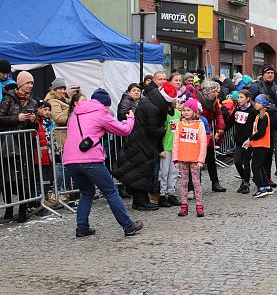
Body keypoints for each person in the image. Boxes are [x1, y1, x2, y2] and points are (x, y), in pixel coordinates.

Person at [63, 88, 143, 237]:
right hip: (90, 159)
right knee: (111, 192)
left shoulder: (75, 113)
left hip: (69, 160)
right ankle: (128, 225)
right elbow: (124, 130)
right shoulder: (101, 112)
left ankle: (82, 227)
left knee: (86, 192)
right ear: (105, 104)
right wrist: (130, 118)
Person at [114, 81, 177, 211]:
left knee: (138, 171)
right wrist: (164, 130)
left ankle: (142, 200)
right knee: (141, 172)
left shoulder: (149, 101)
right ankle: (140, 201)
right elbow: (153, 130)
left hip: (139, 142)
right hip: (143, 144)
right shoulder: (153, 108)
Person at [0, 71, 38, 222]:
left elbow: (34, 126)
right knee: (8, 177)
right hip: (9, 144)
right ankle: (9, 210)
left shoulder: (33, 102)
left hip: (25, 144)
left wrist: (33, 120)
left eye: (31, 83)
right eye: (28, 83)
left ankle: (22, 210)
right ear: (20, 84)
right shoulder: (8, 99)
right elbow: (0, 118)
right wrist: (17, 118)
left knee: (24, 178)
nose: (30, 86)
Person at [248, 65, 277, 186]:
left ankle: (267, 178)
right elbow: (249, 102)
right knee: (258, 153)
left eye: (272, 73)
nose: (270, 75)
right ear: (263, 74)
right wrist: (260, 111)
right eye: (268, 72)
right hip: (259, 124)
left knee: (269, 153)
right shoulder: (255, 86)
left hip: (273, 124)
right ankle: (255, 177)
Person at [173, 98, 208, 217]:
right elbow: (176, 142)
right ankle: (184, 205)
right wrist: (175, 158)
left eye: (188, 110)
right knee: (183, 182)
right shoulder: (180, 124)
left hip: (194, 158)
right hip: (182, 157)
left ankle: (199, 205)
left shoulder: (200, 125)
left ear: (194, 111)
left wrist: (201, 159)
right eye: (184, 110)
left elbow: (203, 143)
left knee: (196, 182)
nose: (185, 112)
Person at [195, 79, 227, 192]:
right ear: (207, 92)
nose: (216, 93)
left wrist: (220, 126)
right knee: (197, 160)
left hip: (209, 132)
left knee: (211, 158)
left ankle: (215, 182)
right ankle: (195, 185)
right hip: (198, 131)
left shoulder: (214, 101)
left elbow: (218, 114)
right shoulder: (196, 100)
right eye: (214, 91)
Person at [225, 89, 258, 194]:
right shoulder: (237, 109)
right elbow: (230, 122)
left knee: (246, 162)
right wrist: (221, 131)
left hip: (248, 141)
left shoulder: (252, 111)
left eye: (241, 97)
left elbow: (257, 124)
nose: (239, 99)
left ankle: (246, 183)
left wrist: (252, 138)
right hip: (239, 140)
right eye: (238, 97)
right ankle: (244, 179)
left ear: (247, 99)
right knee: (237, 162)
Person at [244, 95, 272, 198]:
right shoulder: (258, 116)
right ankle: (267, 186)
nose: (256, 104)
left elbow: (261, 133)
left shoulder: (264, 116)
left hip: (261, 144)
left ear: (263, 105)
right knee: (260, 166)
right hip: (258, 144)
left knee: (255, 167)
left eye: (258, 103)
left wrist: (250, 138)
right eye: (255, 102)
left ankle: (261, 188)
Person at [158, 98, 182, 208]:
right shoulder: (163, 114)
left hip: (176, 147)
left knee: (174, 172)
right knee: (164, 172)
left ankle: (171, 193)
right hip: (166, 146)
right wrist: (160, 148)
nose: (176, 101)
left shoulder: (178, 113)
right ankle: (162, 194)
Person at [34, 100, 55, 205]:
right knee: (40, 178)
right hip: (40, 154)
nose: (45, 111)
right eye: (42, 108)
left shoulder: (45, 121)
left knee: (48, 177)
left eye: (47, 109)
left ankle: (46, 196)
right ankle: (41, 199)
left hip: (47, 153)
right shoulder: (37, 121)